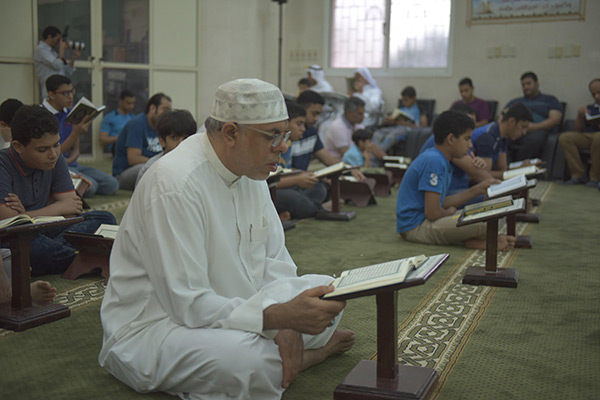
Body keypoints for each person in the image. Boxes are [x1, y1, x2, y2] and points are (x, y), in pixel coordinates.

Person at [99, 78, 355, 399]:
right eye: (273, 136)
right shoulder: (175, 184)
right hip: (159, 326)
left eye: (285, 134)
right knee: (250, 363)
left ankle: (283, 359)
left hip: (239, 308)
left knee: (326, 294)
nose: (284, 147)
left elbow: (277, 264)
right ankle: (301, 359)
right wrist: (278, 318)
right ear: (232, 133)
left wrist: (285, 317)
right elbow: (187, 303)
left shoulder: (253, 171)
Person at [0, 105, 116, 276]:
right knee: (31, 247)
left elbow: (71, 211)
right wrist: (57, 207)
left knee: (105, 219)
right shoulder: (3, 163)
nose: (53, 154)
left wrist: (25, 214)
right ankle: (86, 258)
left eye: (56, 145)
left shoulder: (55, 157)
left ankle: (71, 258)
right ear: (18, 146)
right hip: (17, 239)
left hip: (47, 229)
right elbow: (9, 224)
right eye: (42, 149)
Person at [396, 110, 515, 250]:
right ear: (451, 139)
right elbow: (433, 213)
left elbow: (441, 202)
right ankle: (475, 241)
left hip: (428, 219)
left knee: (496, 209)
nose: (470, 145)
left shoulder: (440, 159)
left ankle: (475, 239)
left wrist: (477, 189)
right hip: (416, 227)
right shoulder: (434, 161)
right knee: (487, 221)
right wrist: (449, 213)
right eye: (467, 139)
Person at [42, 75, 119, 197]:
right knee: (91, 187)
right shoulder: (42, 116)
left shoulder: (70, 111)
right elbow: (52, 155)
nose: (70, 96)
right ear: (51, 95)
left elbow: (76, 149)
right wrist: (75, 134)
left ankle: (71, 186)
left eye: (72, 91)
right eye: (65, 93)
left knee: (112, 184)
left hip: (72, 164)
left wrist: (70, 159)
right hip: (53, 167)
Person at [418, 104, 492, 206]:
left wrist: (478, 162)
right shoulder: (443, 147)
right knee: (490, 198)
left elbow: (473, 172)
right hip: (449, 193)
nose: (472, 127)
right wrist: (498, 187)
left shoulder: (459, 144)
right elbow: (476, 172)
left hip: (455, 191)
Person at [275, 100, 328, 219]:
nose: (303, 129)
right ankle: (320, 208)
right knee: (293, 198)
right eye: (299, 124)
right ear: (285, 123)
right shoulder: (274, 144)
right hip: (272, 189)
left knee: (319, 188)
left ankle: (291, 212)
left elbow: (285, 170)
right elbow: (268, 181)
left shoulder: (289, 143)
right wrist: (296, 180)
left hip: (287, 186)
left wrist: (305, 175)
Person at [112, 93, 172, 190]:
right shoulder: (136, 124)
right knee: (151, 169)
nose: (168, 114)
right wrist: (160, 163)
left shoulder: (161, 126)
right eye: (165, 109)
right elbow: (134, 159)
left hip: (152, 166)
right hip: (125, 173)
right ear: (152, 108)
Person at [505, 72, 563, 162]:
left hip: (538, 131)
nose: (526, 87)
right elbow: (503, 117)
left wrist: (534, 127)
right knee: (500, 137)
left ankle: (519, 167)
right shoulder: (515, 102)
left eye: (528, 84)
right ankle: (505, 166)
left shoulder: (550, 100)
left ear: (537, 84)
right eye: (523, 85)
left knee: (534, 139)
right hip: (515, 131)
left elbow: (555, 119)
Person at [134, 109, 197, 188]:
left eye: (186, 138)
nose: (181, 144)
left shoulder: (196, 165)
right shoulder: (151, 169)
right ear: (162, 141)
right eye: (174, 138)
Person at [471, 102, 534, 180]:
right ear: (512, 121)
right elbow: (484, 176)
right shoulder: (488, 137)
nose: (524, 132)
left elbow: (503, 169)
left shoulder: (502, 136)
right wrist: (519, 172)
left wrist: (522, 169)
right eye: (523, 127)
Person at [558, 78, 600, 189]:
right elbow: (577, 130)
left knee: (598, 137)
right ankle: (579, 174)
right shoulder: (590, 108)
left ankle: (595, 177)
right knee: (565, 137)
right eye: (593, 94)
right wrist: (580, 115)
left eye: (599, 92)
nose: (596, 97)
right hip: (588, 136)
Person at [33, 26, 80, 99]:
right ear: (49, 37)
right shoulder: (41, 50)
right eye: (58, 39)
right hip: (51, 90)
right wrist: (62, 49)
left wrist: (73, 58)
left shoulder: (53, 52)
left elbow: (67, 71)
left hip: (62, 90)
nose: (58, 42)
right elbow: (57, 65)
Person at [99, 90, 136, 154]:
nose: (131, 106)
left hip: (132, 148)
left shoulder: (133, 118)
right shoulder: (110, 118)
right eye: (128, 103)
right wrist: (120, 137)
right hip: (116, 148)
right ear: (121, 101)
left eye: (133, 103)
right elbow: (102, 140)